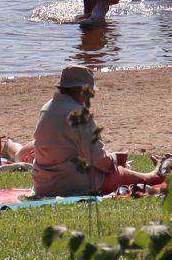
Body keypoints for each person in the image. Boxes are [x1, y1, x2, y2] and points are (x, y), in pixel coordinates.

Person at [30, 65, 154, 196]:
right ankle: (155, 176)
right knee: (120, 173)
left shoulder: (46, 108)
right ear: (80, 90)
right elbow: (99, 160)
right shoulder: (78, 113)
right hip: (67, 184)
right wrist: (115, 160)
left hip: (42, 185)